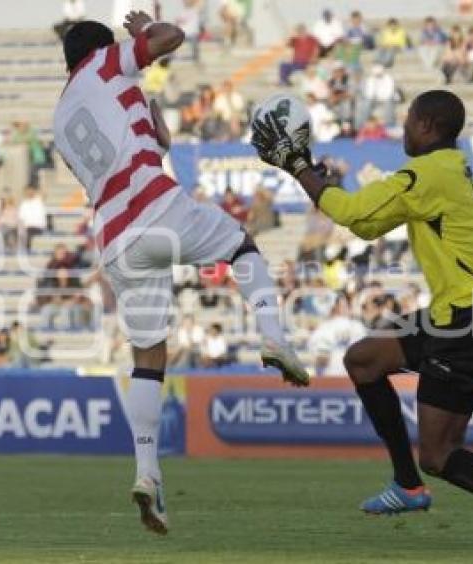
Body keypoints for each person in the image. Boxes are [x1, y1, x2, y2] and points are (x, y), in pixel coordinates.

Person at [252, 89, 473, 557]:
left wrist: (297, 168)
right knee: (363, 360)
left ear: (427, 126)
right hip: (454, 311)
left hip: (471, 322)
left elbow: (350, 214)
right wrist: (308, 169)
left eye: (409, 120)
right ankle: (406, 487)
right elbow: (366, 226)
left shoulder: (427, 174)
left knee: (439, 455)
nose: (403, 128)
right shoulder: (446, 168)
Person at [53, 11, 309, 535]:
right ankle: (274, 337)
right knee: (242, 246)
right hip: (154, 207)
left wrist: (151, 123)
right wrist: (146, 29)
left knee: (148, 357)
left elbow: (151, 142)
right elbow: (172, 38)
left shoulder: (61, 115)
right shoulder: (107, 63)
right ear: (104, 48)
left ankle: (147, 474)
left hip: (114, 238)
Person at [308, 295, 367, 376]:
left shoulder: (323, 329)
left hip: (331, 379)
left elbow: (322, 359)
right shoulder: (358, 326)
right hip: (354, 379)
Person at [18, 186, 47, 253]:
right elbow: (21, 219)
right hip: (27, 228)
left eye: (31, 190)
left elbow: (44, 193)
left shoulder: (39, 200)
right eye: (28, 191)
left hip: (38, 227)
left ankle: (28, 251)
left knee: (28, 235)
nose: (29, 192)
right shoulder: (23, 204)